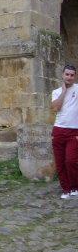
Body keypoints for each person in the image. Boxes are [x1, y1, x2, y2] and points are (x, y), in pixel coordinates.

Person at [51, 64, 78, 199]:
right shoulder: (56, 92)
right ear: (63, 75)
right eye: (67, 74)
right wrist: (63, 91)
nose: (69, 77)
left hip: (74, 132)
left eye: (72, 75)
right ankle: (66, 189)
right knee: (60, 162)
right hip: (58, 131)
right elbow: (56, 108)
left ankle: (74, 187)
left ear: (75, 76)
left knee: (71, 161)